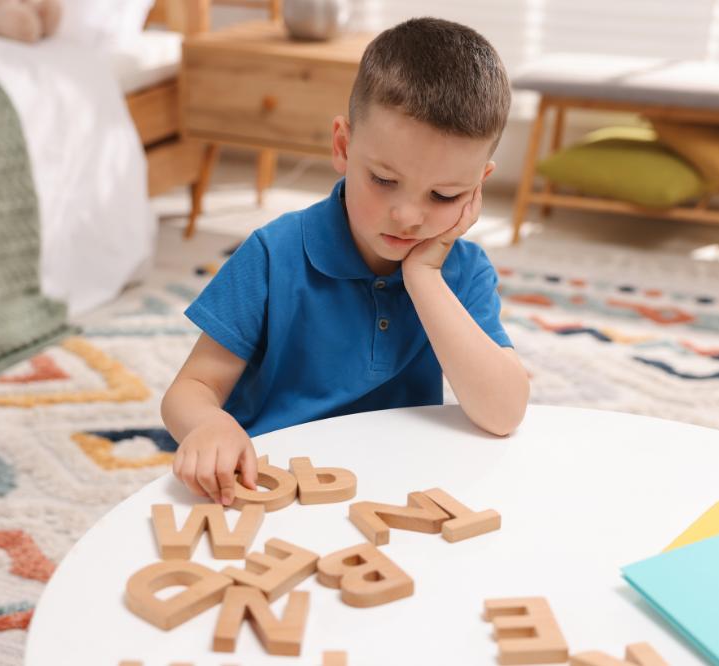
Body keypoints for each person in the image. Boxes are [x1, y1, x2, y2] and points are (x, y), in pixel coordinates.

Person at [161, 17, 530, 504]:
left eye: (444, 194)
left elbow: (502, 414)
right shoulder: (274, 253)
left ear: (477, 186)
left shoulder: (462, 272)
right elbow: (190, 389)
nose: (408, 216)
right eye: (382, 180)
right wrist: (210, 425)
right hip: (268, 485)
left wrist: (423, 276)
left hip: (393, 491)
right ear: (343, 145)